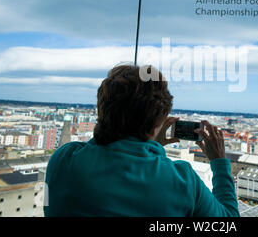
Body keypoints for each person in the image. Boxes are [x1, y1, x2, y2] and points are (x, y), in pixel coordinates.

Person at [44, 64, 240, 217]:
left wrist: (150, 143)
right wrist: (219, 164)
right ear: (159, 121)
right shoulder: (182, 181)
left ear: (102, 108)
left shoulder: (64, 159)